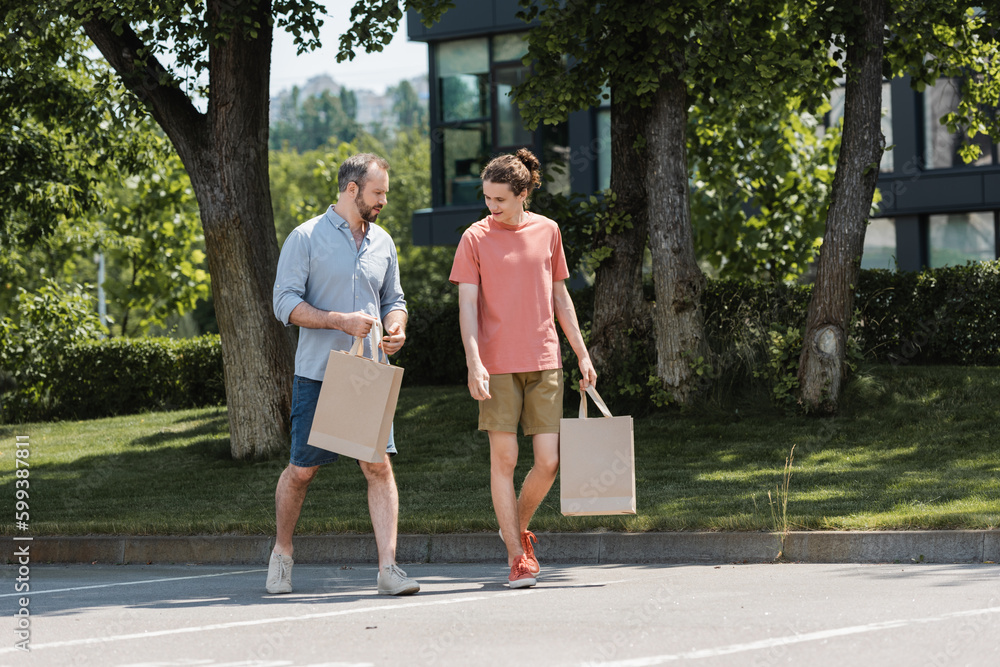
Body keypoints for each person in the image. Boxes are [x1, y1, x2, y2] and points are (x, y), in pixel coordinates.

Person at [268, 152, 418, 596]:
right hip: (318, 374)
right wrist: (341, 321)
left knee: (377, 466)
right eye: (378, 193)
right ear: (352, 189)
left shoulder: (383, 241)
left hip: (368, 374)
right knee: (301, 471)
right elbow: (285, 305)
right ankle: (282, 553)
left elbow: (395, 298)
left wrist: (397, 326)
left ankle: (389, 568)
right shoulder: (306, 237)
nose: (383, 201)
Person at [449, 148, 597, 589]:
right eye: (487, 198)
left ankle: (514, 525)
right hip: (496, 364)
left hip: (545, 359)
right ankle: (517, 555)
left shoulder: (547, 231)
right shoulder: (474, 238)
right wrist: (474, 363)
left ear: (523, 194)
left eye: (499, 199)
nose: (490, 207)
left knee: (549, 462)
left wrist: (582, 352)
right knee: (506, 458)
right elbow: (467, 308)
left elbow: (560, 297)